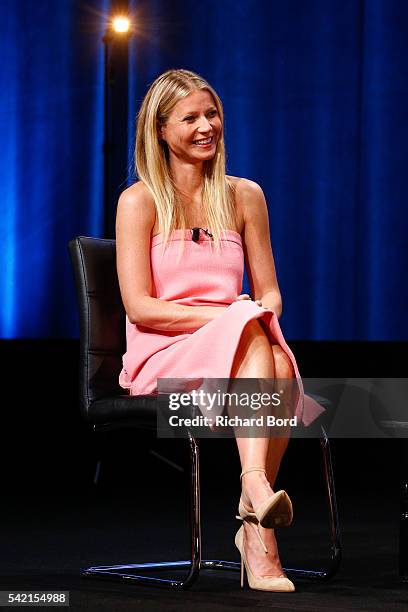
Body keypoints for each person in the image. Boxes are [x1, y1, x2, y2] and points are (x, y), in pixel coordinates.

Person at [116, 68, 323, 592]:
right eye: (191, 118)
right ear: (160, 129)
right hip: (165, 353)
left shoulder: (244, 195)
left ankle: (255, 524)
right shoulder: (137, 202)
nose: (207, 126)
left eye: (213, 114)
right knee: (259, 340)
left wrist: (249, 314)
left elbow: (271, 291)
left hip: (239, 346)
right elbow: (141, 308)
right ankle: (255, 501)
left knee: (269, 354)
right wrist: (231, 316)